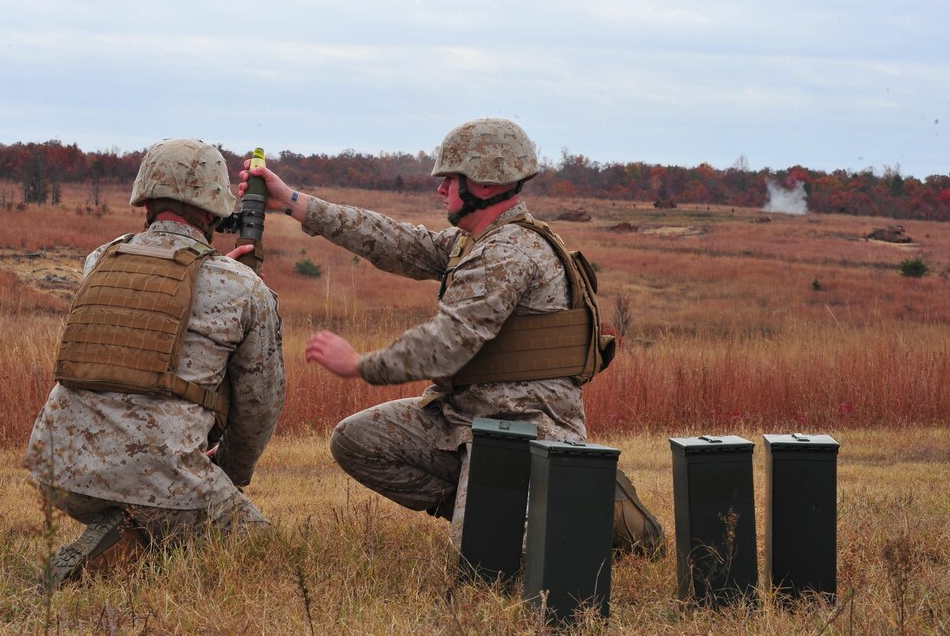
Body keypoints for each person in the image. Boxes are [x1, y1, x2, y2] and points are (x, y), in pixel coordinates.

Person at [240, 118, 662, 555]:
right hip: (466, 421)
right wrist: (292, 201)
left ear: (482, 184)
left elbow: (446, 344)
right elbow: (396, 242)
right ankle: (482, 503)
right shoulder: (476, 241)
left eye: (449, 180)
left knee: (487, 570)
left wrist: (361, 364)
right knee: (356, 440)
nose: (440, 189)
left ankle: (572, 509)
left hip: (523, 431)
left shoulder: (506, 253)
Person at [26, 138, 286, 590]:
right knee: (264, 556)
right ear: (212, 209)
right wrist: (229, 474)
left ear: (145, 198)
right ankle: (138, 531)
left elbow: (155, 306)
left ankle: (120, 531)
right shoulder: (244, 290)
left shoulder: (99, 260)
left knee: (157, 514)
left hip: (58, 469)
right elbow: (260, 406)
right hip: (163, 481)